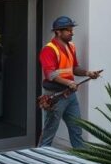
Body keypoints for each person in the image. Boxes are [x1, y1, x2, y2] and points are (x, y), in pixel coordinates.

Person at [39, 16, 100, 149]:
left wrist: (87, 73)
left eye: (72, 30)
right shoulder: (49, 49)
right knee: (49, 132)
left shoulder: (71, 47)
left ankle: (82, 160)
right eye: (69, 30)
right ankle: (41, 161)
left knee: (76, 129)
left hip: (70, 95)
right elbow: (50, 74)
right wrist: (68, 83)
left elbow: (73, 68)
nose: (72, 33)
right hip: (55, 96)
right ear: (58, 32)